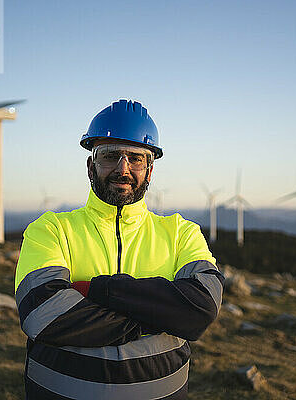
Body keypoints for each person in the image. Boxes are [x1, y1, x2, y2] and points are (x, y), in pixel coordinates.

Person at [14, 99, 224, 400]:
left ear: (150, 170)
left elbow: (201, 307)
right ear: (91, 165)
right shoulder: (50, 229)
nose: (122, 169)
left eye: (136, 158)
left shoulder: (181, 232)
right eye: (110, 156)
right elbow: (43, 314)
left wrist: (97, 292)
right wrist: (164, 317)